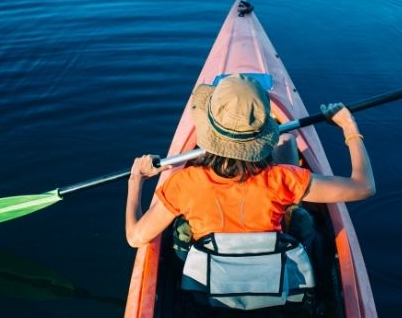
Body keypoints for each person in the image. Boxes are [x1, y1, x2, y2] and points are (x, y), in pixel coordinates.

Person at [125, 74, 375, 251]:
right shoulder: (284, 179)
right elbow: (364, 187)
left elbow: (135, 238)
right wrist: (348, 127)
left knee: (180, 231)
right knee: (287, 142)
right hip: (273, 280)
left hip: (209, 285)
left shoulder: (183, 184)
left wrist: (136, 180)